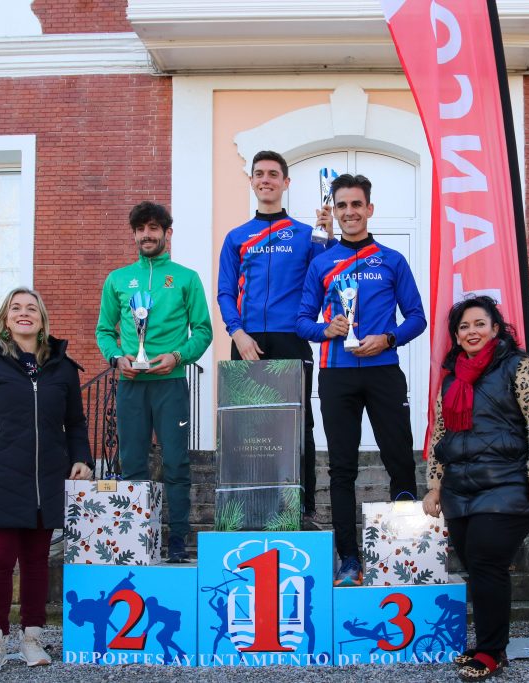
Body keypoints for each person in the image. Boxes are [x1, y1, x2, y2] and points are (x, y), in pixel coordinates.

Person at [0, 286, 93, 675]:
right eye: (16, 308)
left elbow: (75, 423)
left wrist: (81, 457)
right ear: (6, 317)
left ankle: (31, 637)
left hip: (45, 480)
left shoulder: (61, 367)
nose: (24, 313)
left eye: (32, 308)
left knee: (35, 564)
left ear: (42, 319)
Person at [295, 173, 427, 587]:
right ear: (334, 211)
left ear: (370, 209)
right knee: (341, 470)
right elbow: (301, 321)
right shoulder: (321, 263)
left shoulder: (391, 260)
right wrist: (327, 330)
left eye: (356, 205)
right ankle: (349, 560)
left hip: (384, 372)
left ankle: (405, 551)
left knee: (401, 461)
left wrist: (388, 338)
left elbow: (417, 317)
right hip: (336, 377)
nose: (349, 212)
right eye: (342, 206)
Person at [421, 295, 529, 681]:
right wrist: (434, 486)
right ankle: (489, 645)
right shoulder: (451, 379)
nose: (471, 332)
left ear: (496, 328)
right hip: (461, 489)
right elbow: (440, 436)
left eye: (479, 324)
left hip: (507, 482)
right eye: (463, 327)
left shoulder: (520, 368)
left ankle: (491, 652)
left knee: (486, 561)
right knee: (477, 566)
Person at [216, 150, 334, 529]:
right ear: (251, 182)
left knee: (299, 426)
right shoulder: (237, 237)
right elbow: (223, 292)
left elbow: (326, 278)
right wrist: (237, 332)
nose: (265, 180)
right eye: (259, 174)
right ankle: (248, 505)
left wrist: (328, 238)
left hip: (291, 339)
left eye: (273, 174)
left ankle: (303, 508)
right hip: (246, 340)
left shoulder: (305, 234)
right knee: (246, 427)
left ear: (286, 183)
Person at [96, 201, 212, 562]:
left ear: (167, 234)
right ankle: (135, 537)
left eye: (154, 228)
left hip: (171, 384)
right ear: (134, 234)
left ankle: (178, 539)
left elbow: (204, 331)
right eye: (141, 229)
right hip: (131, 385)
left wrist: (178, 356)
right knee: (132, 463)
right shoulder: (117, 279)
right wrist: (117, 358)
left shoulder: (185, 278)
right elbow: (104, 331)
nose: (147, 235)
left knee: (176, 462)